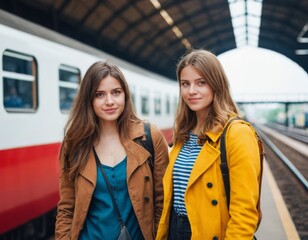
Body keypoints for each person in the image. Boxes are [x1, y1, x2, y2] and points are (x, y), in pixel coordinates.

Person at [55, 61, 169, 240]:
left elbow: (162, 203)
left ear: (125, 94)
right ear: (89, 99)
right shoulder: (74, 144)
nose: (110, 101)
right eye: (99, 94)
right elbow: (67, 208)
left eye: (116, 92)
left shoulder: (149, 137)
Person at [156, 49, 261, 240]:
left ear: (216, 85)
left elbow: (244, 213)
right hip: (175, 230)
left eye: (201, 83)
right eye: (185, 84)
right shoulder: (184, 133)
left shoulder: (237, 133)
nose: (191, 91)